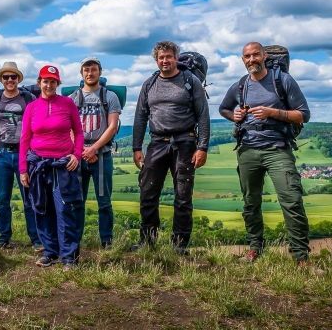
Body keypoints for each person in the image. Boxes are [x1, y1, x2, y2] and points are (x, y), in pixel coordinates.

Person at [219, 42, 310, 264]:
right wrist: (235, 116)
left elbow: (303, 115)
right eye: (247, 56)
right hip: (248, 149)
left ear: (264, 56)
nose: (252, 60)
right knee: (251, 203)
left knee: (291, 200)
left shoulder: (283, 80)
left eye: (255, 55)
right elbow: (224, 108)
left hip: (277, 149)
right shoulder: (241, 85)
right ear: (243, 60)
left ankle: (300, 257)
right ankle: (254, 249)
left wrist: (273, 112)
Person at [132, 41, 210, 254]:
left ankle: (179, 245)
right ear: (156, 60)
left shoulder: (190, 80)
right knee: (148, 193)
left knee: (183, 196)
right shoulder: (149, 84)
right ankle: (147, 240)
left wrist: (202, 147)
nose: (165, 61)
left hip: (185, 142)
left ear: (176, 58)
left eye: (168, 56)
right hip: (157, 142)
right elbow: (140, 117)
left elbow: (203, 115)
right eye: (161, 57)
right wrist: (136, 147)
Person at [19, 64, 84, 269]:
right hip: (38, 165)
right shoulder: (31, 107)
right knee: (42, 209)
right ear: (39, 83)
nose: (49, 85)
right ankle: (50, 252)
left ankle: (69, 257)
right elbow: (25, 139)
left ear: (57, 84)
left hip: (63, 165)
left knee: (65, 210)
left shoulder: (67, 104)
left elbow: (79, 132)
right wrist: (23, 169)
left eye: (53, 81)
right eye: (45, 81)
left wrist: (77, 155)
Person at [0, 61, 42, 250]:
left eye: (13, 77)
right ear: (1, 79)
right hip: (2, 154)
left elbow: (38, 124)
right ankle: (3, 237)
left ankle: (36, 238)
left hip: (25, 154)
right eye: (6, 77)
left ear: (18, 79)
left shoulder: (29, 98)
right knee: (2, 199)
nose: (9, 80)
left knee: (29, 198)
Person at [69, 57, 121, 248]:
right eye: (86, 70)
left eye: (93, 69)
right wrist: (81, 149)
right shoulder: (72, 98)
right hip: (79, 156)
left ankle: (106, 242)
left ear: (100, 72)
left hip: (101, 155)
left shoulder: (110, 96)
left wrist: (93, 148)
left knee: (104, 201)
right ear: (81, 73)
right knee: (77, 201)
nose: (90, 73)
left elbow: (113, 126)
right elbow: (68, 127)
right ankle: (75, 241)